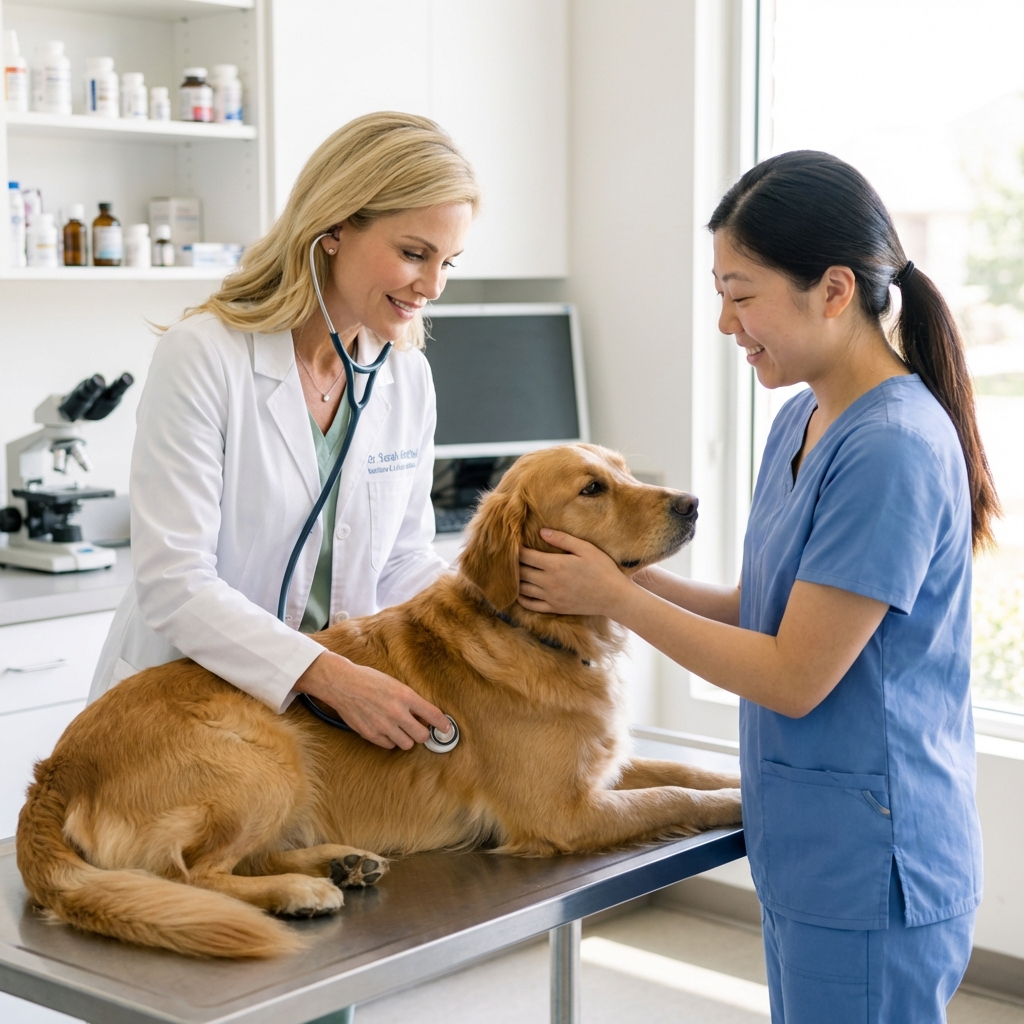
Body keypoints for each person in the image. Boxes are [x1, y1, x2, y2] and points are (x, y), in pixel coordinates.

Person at [518, 151, 998, 1023]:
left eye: (742, 295)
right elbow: (759, 612)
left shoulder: (890, 446)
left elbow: (792, 673)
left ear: (835, 290)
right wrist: (621, 572)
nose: (724, 322)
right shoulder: (803, 418)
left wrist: (619, 600)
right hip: (811, 849)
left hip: (871, 862)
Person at [91, 111, 479, 753]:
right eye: (414, 254)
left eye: (449, 263)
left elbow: (404, 558)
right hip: (182, 709)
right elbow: (175, 581)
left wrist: (495, 622)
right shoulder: (206, 356)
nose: (432, 286)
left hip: (317, 723)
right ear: (333, 227)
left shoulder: (405, 376)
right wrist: (332, 677)